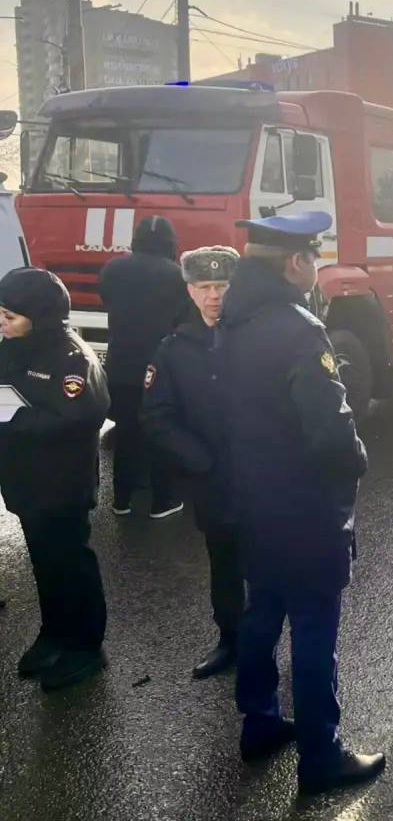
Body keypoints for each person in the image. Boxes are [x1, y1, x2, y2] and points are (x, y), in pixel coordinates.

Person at [219, 211, 384, 795]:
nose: (316, 266)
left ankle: (260, 723)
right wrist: (356, 462)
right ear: (295, 263)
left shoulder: (231, 319)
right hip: (305, 506)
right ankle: (322, 756)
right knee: (314, 631)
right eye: (313, 256)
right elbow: (332, 429)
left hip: (252, 499)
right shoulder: (298, 328)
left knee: (261, 615)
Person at [0, 268, 110, 691]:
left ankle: (86, 647)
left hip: (62, 484)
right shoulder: (13, 346)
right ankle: (54, 632)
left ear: (40, 315)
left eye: (10, 316)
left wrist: (14, 420)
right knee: (44, 562)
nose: (3, 322)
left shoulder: (72, 358)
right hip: (23, 480)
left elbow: (80, 418)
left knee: (71, 564)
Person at [141, 246, 243, 680]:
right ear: (190, 290)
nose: (214, 295)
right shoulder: (174, 349)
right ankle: (231, 640)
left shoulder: (257, 337)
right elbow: (156, 415)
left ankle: (275, 642)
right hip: (214, 480)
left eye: (222, 286)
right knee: (224, 563)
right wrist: (199, 459)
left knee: (275, 564)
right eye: (204, 286)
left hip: (264, 474)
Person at [98, 215, 190, 518]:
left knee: (126, 432)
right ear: (171, 242)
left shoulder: (113, 269)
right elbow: (184, 318)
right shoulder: (177, 275)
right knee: (161, 432)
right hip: (160, 368)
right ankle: (163, 502)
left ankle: (121, 500)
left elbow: (106, 301)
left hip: (121, 364)